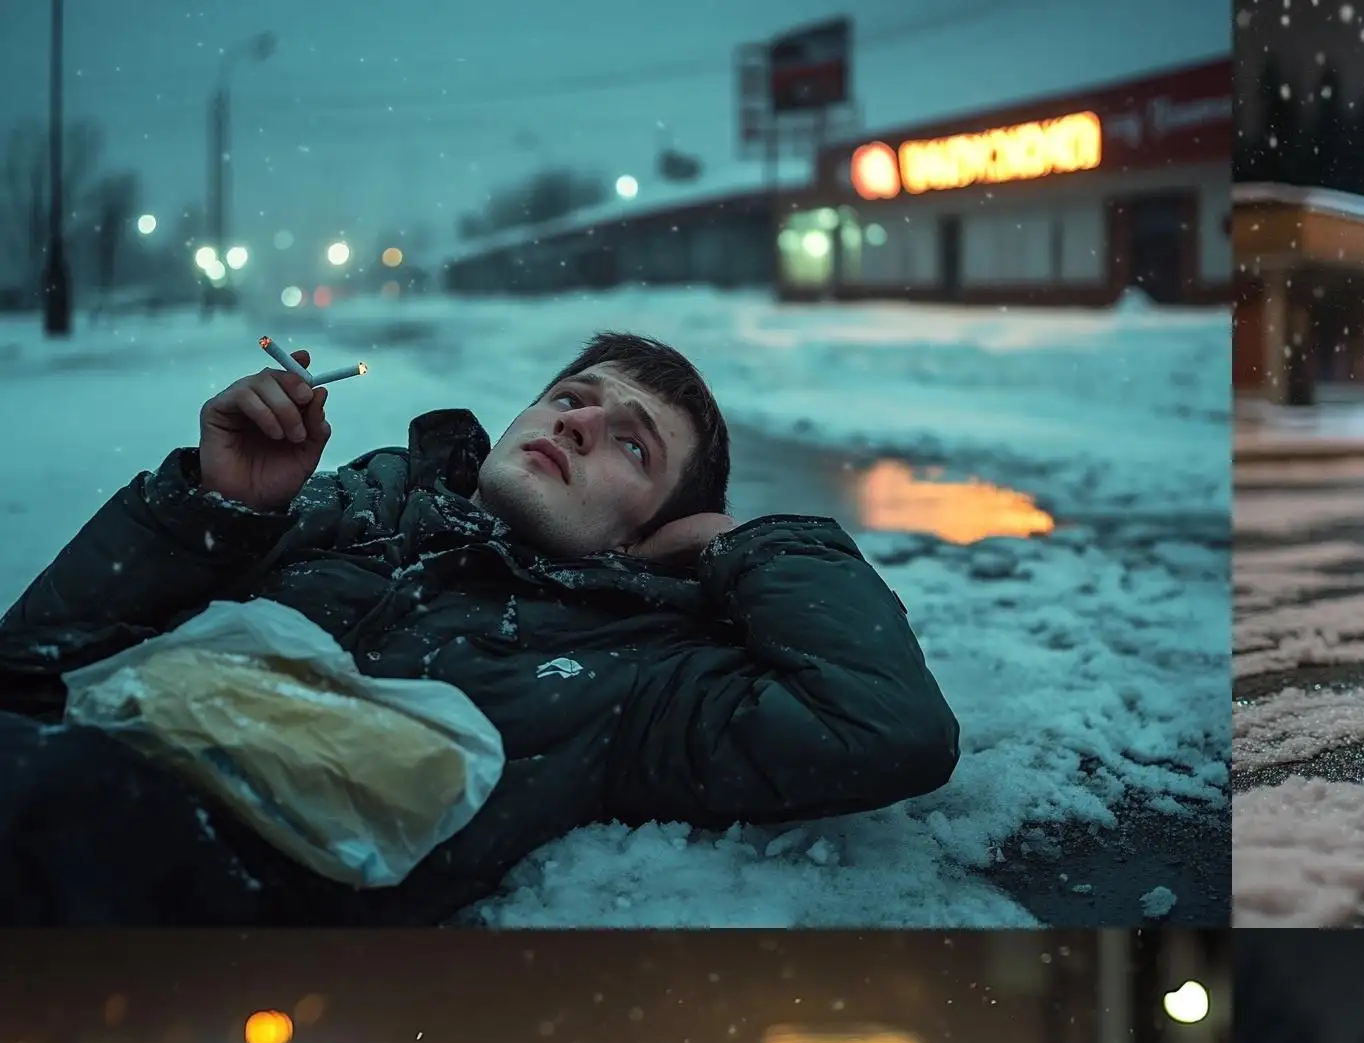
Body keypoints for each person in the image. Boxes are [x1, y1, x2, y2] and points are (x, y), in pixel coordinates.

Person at [0, 333, 960, 924]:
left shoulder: (634, 669)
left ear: (653, 532)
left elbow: (886, 729)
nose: (579, 423)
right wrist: (216, 510)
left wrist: (746, 545)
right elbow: (32, 662)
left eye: (633, 442)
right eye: (570, 399)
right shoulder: (353, 510)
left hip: (137, 875)